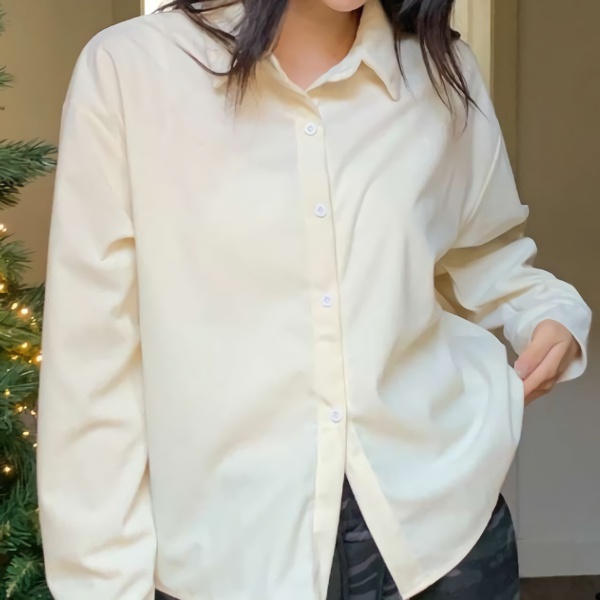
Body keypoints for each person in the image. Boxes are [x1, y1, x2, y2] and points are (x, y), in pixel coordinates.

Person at [37, 0, 591, 599]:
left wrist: (547, 312)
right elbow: (92, 365)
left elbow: (482, 248)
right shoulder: (131, 71)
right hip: (232, 562)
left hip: (444, 540)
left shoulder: (440, 69)